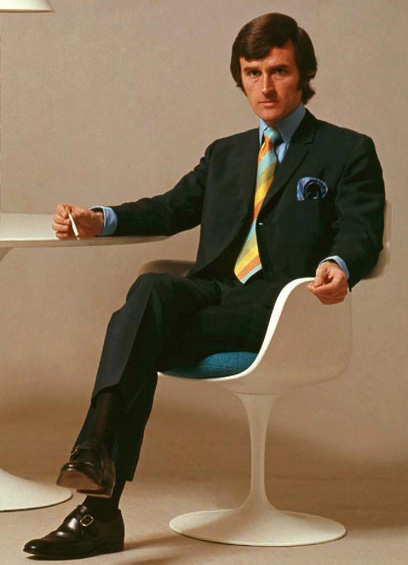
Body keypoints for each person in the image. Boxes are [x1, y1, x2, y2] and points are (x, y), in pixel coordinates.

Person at [23, 12, 385, 559]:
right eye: (253, 72)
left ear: (304, 73)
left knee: (136, 335)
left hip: (283, 305)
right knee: (152, 291)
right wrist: (102, 218)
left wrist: (340, 263)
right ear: (240, 77)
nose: (266, 86)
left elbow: (360, 229)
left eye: (279, 71)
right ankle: (93, 454)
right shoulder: (226, 153)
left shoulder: (346, 150)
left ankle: (98, 498)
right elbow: (170, 208)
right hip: (216, 292)